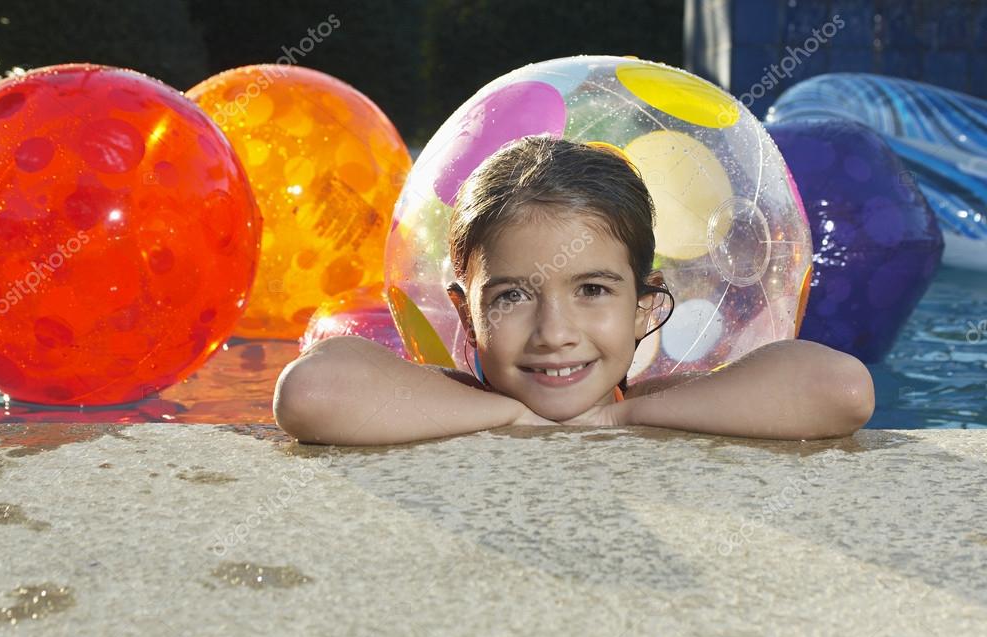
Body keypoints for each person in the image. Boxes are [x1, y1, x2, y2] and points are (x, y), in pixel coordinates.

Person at [273, 136, 874, 445]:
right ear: (465, 310)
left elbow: (840, 391)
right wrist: (508, 414)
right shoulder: (451, 394)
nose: (554, 334)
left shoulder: (665, 396)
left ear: (644, 306)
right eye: (511, 296)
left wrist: (623, 417)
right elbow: (311, 392)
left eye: (591, 289)